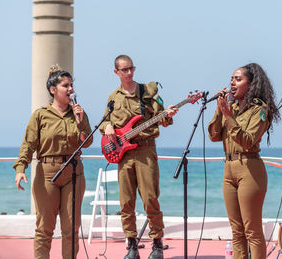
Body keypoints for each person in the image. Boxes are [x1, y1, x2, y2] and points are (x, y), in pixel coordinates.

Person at [100, 55, 178, 259]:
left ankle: (157, 244)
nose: (129, 73)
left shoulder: (148, 92)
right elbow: (104, 122)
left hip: (145, 150)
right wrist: (106, 126)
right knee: (126, 202)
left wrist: (168, 116)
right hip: (123, 154)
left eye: (131, 69)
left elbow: (164, 120)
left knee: (150, 198)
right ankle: (132, 245)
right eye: (124, 70)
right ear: (116, 72)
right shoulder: (113, 97)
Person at [13, 65, 93, 259]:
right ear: (53, 89)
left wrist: (80, 120)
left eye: (72, 85)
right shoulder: (40, 115)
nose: (71, 89)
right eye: (65, 85)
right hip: (47, 172)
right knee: (44, 227)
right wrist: (21, 168)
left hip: (73, 172)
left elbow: (88, 141)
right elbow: (28, 143)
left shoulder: (79, 113)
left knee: (71, 228)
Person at [208, 63, 280, 259]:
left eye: (238, 79)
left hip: (249, 168)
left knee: (252, 231)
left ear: (250, 85)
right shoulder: (229, 107)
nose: (232, 82)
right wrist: (219, 111)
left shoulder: (259, 110)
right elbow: (214, 136)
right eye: (232, 78)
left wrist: (229, 117)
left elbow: (247, 141)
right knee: (236, 231)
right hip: (228, 168)